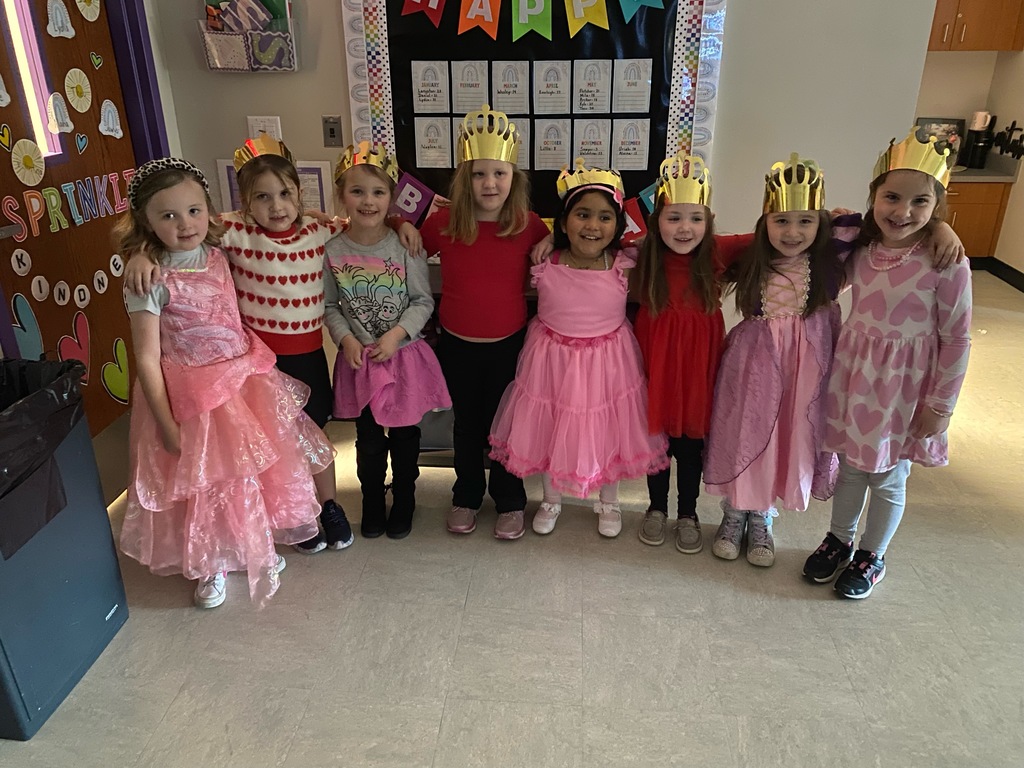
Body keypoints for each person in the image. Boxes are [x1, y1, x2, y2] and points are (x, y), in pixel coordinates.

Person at [124, 134, 421, 555]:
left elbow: (366, 217)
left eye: (285, 194)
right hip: (257, 366)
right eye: (262, 197)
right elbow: (177, 228)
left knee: (314, 435)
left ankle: (328, 505)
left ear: (300, 192)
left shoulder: (322, 228)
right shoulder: (228, 232)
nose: (276, 207)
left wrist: (401, 222)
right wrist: (140, 251)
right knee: (273, 442)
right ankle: (294, 515)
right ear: (244, 201)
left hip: (309, 356)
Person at [117, 158, 335, 608]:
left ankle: (254, 542)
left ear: (211, 211)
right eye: (168, 215)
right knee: (207, 482)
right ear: (145, 220)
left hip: (242, 382)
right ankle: (211, 561)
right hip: (192, 398)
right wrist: (165, 423)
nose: (185, 224)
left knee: (252, 472)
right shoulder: (149, 277)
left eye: (194, 211)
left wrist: (312, 213)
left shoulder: (219, 253)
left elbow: (280, 216)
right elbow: (146, 357)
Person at [803, 130, 971, 598]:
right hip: (856, 375)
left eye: (921, 202)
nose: (903, 212)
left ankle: (872, 554)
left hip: (906, 388)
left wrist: (942, 405)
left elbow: (957, 338)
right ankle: (838, 538)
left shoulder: (947, 262)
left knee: (889, 474)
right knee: (852, 467)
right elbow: (828, 246)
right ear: (874, 197)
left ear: (936, 207)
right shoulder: (862, 249)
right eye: (891, 197)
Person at [488, 159, 669, 538]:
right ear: (564, 220)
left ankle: (609, 500)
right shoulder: (545, 262)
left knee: (608, 429)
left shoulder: (624, 264)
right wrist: (548, 239)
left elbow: (670, 241)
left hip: (609, 361)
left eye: (605, 217)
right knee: (552, 427)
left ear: (618, 224)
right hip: (552, 359)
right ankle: (552, 498)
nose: (592, 226)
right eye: (582, 215)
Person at [703, 154, 853, 567]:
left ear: (820, 223)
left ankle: (764, 515)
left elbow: (879, 231)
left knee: (787, 437)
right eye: (781, 220)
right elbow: (698, 245)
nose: (792, 232)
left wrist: (841, 217)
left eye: (805, 221)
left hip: (807, 371)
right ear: (764, 221)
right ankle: (735, 513)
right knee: (748, 432)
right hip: (754, 365)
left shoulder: (833, 262)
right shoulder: (753, 259)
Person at [421, 105, 551, 540]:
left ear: (513, 177)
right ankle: (467, 495)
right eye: (479, 174)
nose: (490, 183)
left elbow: (567, 235)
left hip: (509, 345)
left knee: (507, 426)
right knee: (467, 424)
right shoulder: (444, 223)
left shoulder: (528, 224)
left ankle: (511, 499)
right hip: (457, 344)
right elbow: (401, 237)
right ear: (465, 178)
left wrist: (553, 238)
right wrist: (400, 229)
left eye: (499, 173)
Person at [325, 142, 450, 539]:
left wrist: (396, 335)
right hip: (360, 362)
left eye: (378, 192)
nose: (368, 200)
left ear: (391, 198)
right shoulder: (331, 251)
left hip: (402, 358)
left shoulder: (405, 245)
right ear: (341, 195)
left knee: (405, 436)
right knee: (368, 440)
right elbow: (330, 305)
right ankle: (373, 500)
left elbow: (422, 300)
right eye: (357, 191)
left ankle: (406, 499)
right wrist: (344, 339)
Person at [632, 153, 748, 553]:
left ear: (708, 221)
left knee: (690, 445)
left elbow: (771, 234)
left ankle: (688, 513)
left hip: (698, 368)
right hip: (656, 365)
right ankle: (656, 508)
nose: (685, 228)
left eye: (695, 218)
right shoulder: (642, 255)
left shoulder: (716, 252)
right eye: (674, 217)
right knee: (658, 441)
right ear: (656, 221)